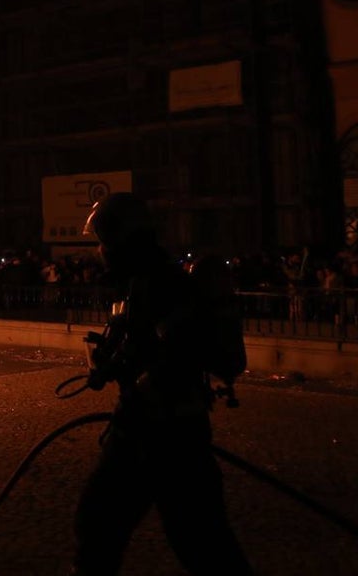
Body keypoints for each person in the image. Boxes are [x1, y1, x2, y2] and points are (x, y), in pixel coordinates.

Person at [71, 192, 252, 576]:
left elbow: (178, 356)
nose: (102, 251)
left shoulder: (163, 284)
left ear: (124, 239)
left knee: (204, 546)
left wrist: (133, 376)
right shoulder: (139, 283)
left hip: (167, 436)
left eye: (104, 241)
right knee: (100, 526)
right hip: (147, 432)